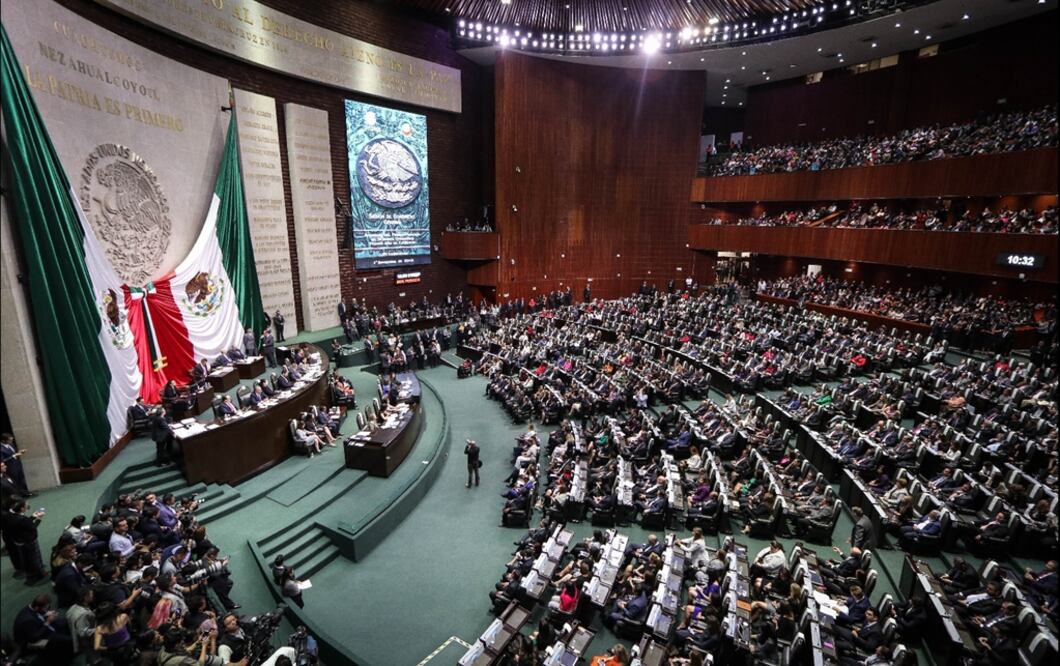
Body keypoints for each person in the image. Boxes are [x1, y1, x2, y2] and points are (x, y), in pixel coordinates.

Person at [2, 499, 47, 583]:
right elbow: (32, 527)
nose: (27, 506)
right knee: (34, 559)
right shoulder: (22, 519)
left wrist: (33, 517)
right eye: (26, 505)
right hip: (28, 541)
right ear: (22, 509)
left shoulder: (10, 515)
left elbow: (23, 525)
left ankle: (32, 574)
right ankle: (38, 575)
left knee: (26, 559)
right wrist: (39, 518)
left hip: (19, 541)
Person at [0, 432, 32, 497]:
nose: (11, 441)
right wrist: (14, 456)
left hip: (17, 465)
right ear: (3, 440)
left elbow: (13, 453)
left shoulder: (11, 445)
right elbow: (3, 460)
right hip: (10, 467)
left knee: (21, 479)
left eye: (12, 440)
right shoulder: (1, 448)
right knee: (15, 481)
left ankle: (25, 493)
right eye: (9, 440)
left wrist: (19, 452)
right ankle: (19, 495)